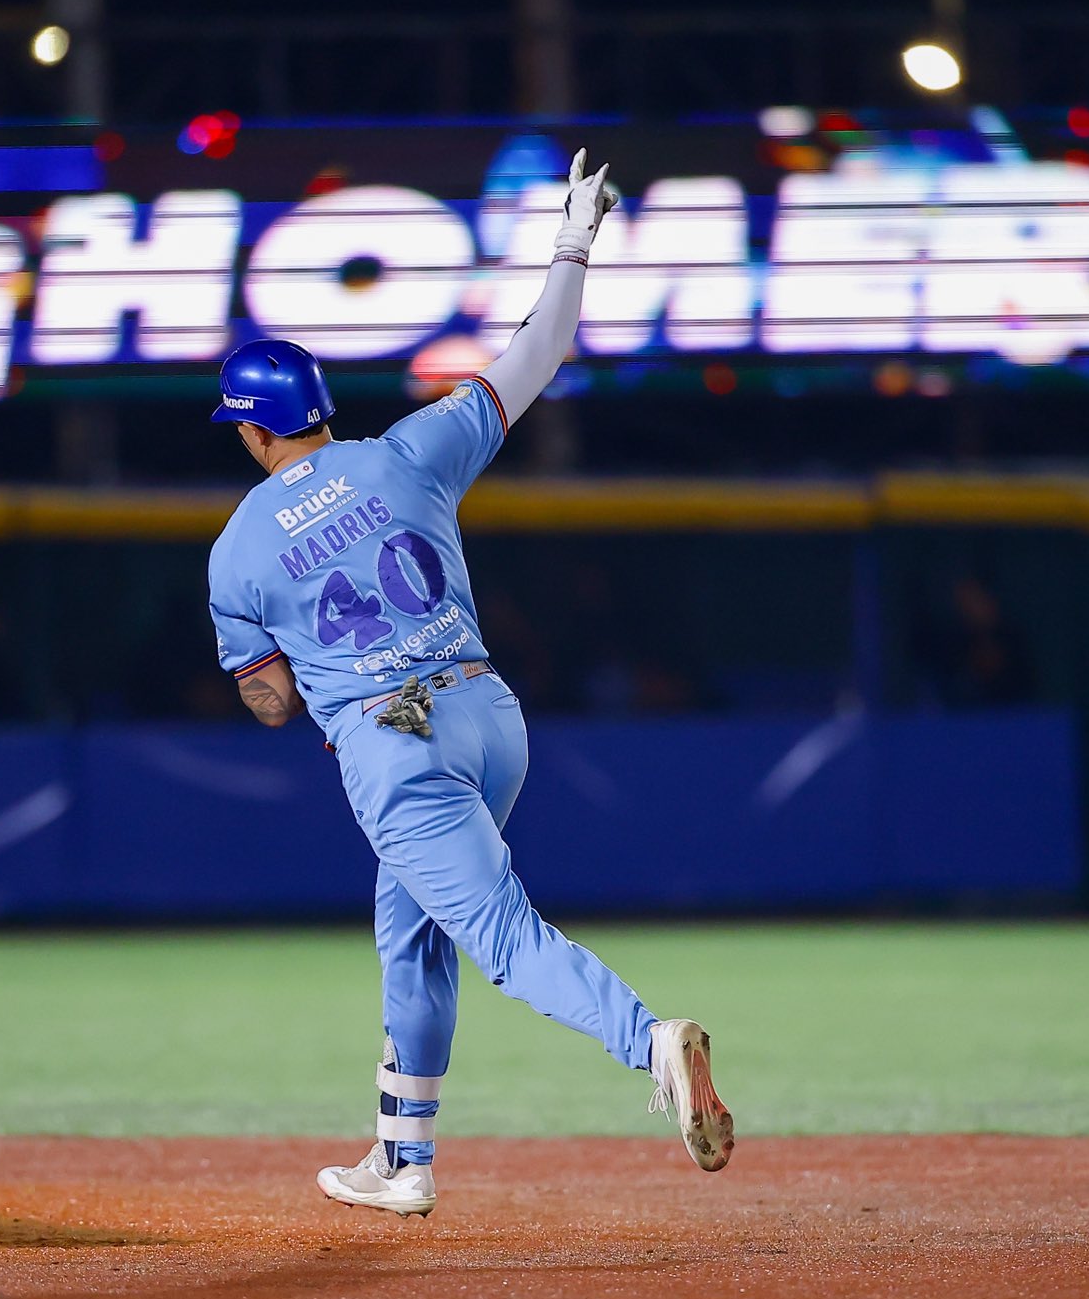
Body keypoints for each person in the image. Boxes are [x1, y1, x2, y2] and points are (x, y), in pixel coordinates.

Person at [204, 151, 732, 1218]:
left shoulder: (237, 547)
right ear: (318, 408)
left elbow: (268, 699)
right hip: (489, 716)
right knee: (411, 930)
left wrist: (299, 674)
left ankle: (651, 1041)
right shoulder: (407, 450)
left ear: (253, 429)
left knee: (499, 935)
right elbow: (536, 354)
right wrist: (573, 243)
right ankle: (401, 1160)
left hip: (392, 747)